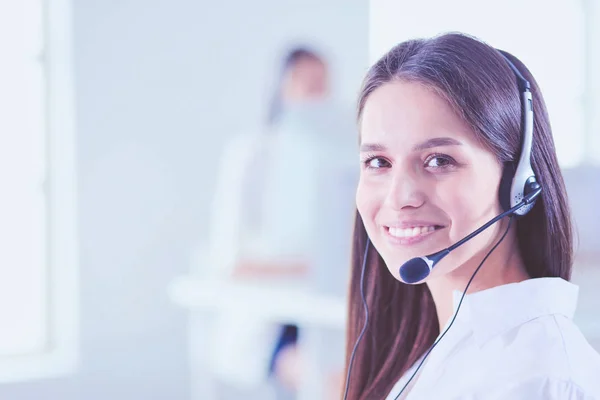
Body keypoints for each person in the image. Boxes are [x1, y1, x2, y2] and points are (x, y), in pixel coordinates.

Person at [341, 32, 600, 400]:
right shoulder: (441, 350)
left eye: (438, 161)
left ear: (517, 182)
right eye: (378, 162)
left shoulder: (534, 378)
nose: (399, 197)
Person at [204, 45, 355, 397]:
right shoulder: (250, 155)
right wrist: (315, 267)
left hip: (320, 307)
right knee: (326, 377)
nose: (318, 95)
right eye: (308, 83)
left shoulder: (340, 155)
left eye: (324, 84)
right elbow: (230, 261)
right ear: (281, 87)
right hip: (271, 323)